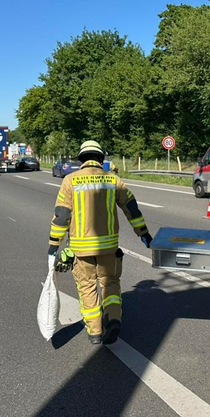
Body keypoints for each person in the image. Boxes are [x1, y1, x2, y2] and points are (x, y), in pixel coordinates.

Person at [48, 140, 153, 345]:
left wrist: (54, 244)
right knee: (110, 283)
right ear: (100, 158)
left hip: (80, 249)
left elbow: (61, 216)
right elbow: (132, 208)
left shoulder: (70, 180)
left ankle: (95, 331)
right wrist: (144, 234)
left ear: (82, 159)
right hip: (109, 248)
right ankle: (113, 319)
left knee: (86, 286)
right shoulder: (112, 179)